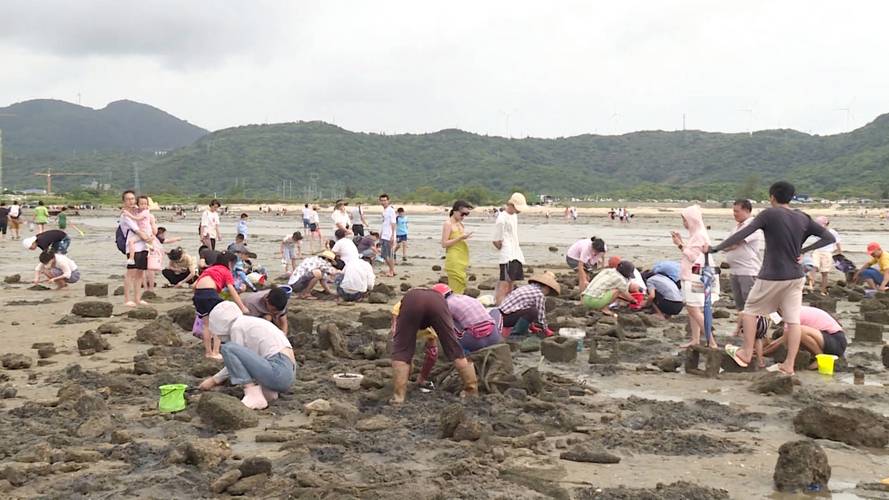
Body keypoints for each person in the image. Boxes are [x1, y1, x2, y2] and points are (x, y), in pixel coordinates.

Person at [707, 181, 835, 375]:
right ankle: (789, 365)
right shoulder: (803, 217)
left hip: (773, 274)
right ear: (791, 197)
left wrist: (715, 248)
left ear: (772, 197)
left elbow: (743, 233)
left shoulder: (769, 214)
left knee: (749, 310)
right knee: (793, 321)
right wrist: (803, 250)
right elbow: (829, 238)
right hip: (796, 275)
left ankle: (746, 352)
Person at [198, 302, 296, 410]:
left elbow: (236, 358)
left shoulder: (237, 326)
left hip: (278, 370)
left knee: (228, 348)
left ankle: (252, 393)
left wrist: (213, 380)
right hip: (288, 373)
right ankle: (268, 393)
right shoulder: (250, 322)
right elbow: (251, 361)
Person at [389, 288, 478, 404]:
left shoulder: (402, 305)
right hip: (437, 301)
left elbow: (398, 337)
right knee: (454, 349)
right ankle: (471, 392)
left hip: (412, 300)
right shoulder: (438, 303)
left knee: (402, 352)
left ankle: (398, 398)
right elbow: (432, 351)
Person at [671, 205, 719, 349]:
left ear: (691, 220)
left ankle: (711, 341)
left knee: (693, 309)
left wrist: (680, 245)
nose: (684, 223)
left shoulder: (699, 235)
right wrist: (682, 244)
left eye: (684, 220)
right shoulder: (698, 234)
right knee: (694, 308)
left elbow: (695, 257)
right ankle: (695, 339)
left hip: (694, 276)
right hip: (695, 276)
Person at [193, 251, 250, 359]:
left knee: (206, 325)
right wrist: (242, 307)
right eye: (233, 264)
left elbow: (194, 286)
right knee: (218, 323)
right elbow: (232, 290)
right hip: (210, 293)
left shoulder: (208, 269)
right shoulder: (225, 271)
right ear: (229, 263)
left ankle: (208, 353)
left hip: (198, 295)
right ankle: (215, 352)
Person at [722, 199, 764, 336]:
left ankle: (757, 332)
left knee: (751, 304)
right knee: (740, 305)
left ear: (746, 210)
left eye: (737, 211)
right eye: (733, 211)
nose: (734, 214)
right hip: (735, 270)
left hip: (748, 270)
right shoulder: (736, 227)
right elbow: (728, 244)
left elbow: (734, 244)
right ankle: (740, 330)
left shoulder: (752, 226)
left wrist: (721, 248)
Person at [762, 307, 847, 365]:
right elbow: (780, 340)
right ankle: (817, 357)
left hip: (836, 341)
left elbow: (781, 342)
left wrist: (762, 353)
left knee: (798, 332)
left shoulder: (792, 316)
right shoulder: (796, 310)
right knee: (795, 336)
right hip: (828, 339)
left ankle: (820, 358)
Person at [432, 284, 502, 353]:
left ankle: (458, 351)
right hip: (494, 337)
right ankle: (503, 337)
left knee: (445, 321)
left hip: (473, 342)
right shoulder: (468, 298)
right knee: (495, 311)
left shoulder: (446, 305)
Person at [498, 271, 560, 337]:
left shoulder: (527, 287)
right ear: (547, 288)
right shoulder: (539, 294)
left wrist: (532, 326)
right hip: (505, 319)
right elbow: (541, 315)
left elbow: (525, 306)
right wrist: (546, 329)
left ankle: (523, 329)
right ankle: (516, 334)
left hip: (499, 316)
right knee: (533, 311)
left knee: (531, 310)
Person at [493, 193, 528, 304]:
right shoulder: (502, 219)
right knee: (504, 285)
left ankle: (507, 307)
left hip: (516, 254)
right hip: (507, 256)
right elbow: (496, 240)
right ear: (511, 204)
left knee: (511, 286)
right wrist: (504, 248)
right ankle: (500, 310)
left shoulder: (514, 216)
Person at [442, 200, 474, 294]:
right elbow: (444, 243)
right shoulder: (448, 224)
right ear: (456, 211)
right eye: (462, 214)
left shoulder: (460, 224)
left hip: (462, 257)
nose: (463, 216)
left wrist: (464, 238)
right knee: (456, 283)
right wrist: (460, 238)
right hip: (453, 258)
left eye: (466, 214)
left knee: (462, 282)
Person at [809, 216, 841, 295]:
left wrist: (839, 251)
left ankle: (823, 290)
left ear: (826, 224)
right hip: (817, 251)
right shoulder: (816, 231)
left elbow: (837, 241)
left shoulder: (832, 232)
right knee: (814, 267)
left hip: (827, 252)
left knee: (824, 272)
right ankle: (810, 285)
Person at [122, 195, 156, 267]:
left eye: (145, 204)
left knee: (134, 241)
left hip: (145, 232)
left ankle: (150, 250)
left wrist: (128, 214)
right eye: (142, 204)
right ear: (138, 204)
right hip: (142, 232)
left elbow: (137, 218)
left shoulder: (146, 212)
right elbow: (134, 209)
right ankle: (131, 258)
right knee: (132, 242)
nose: (144, 206)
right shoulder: (139, 210)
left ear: (148, 205)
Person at [379, 194, 397, 277]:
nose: (383, 202)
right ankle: (391, 270)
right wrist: (381, 234)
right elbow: (384, 223)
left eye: (385, 200)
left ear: (388, 201)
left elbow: (393, 223)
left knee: (389, 255)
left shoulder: (391, 210)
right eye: (382, 200)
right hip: (384, 235)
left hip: (389, 235)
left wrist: (392, 235)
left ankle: (391, 271)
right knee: (384, 255)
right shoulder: (384, 211)